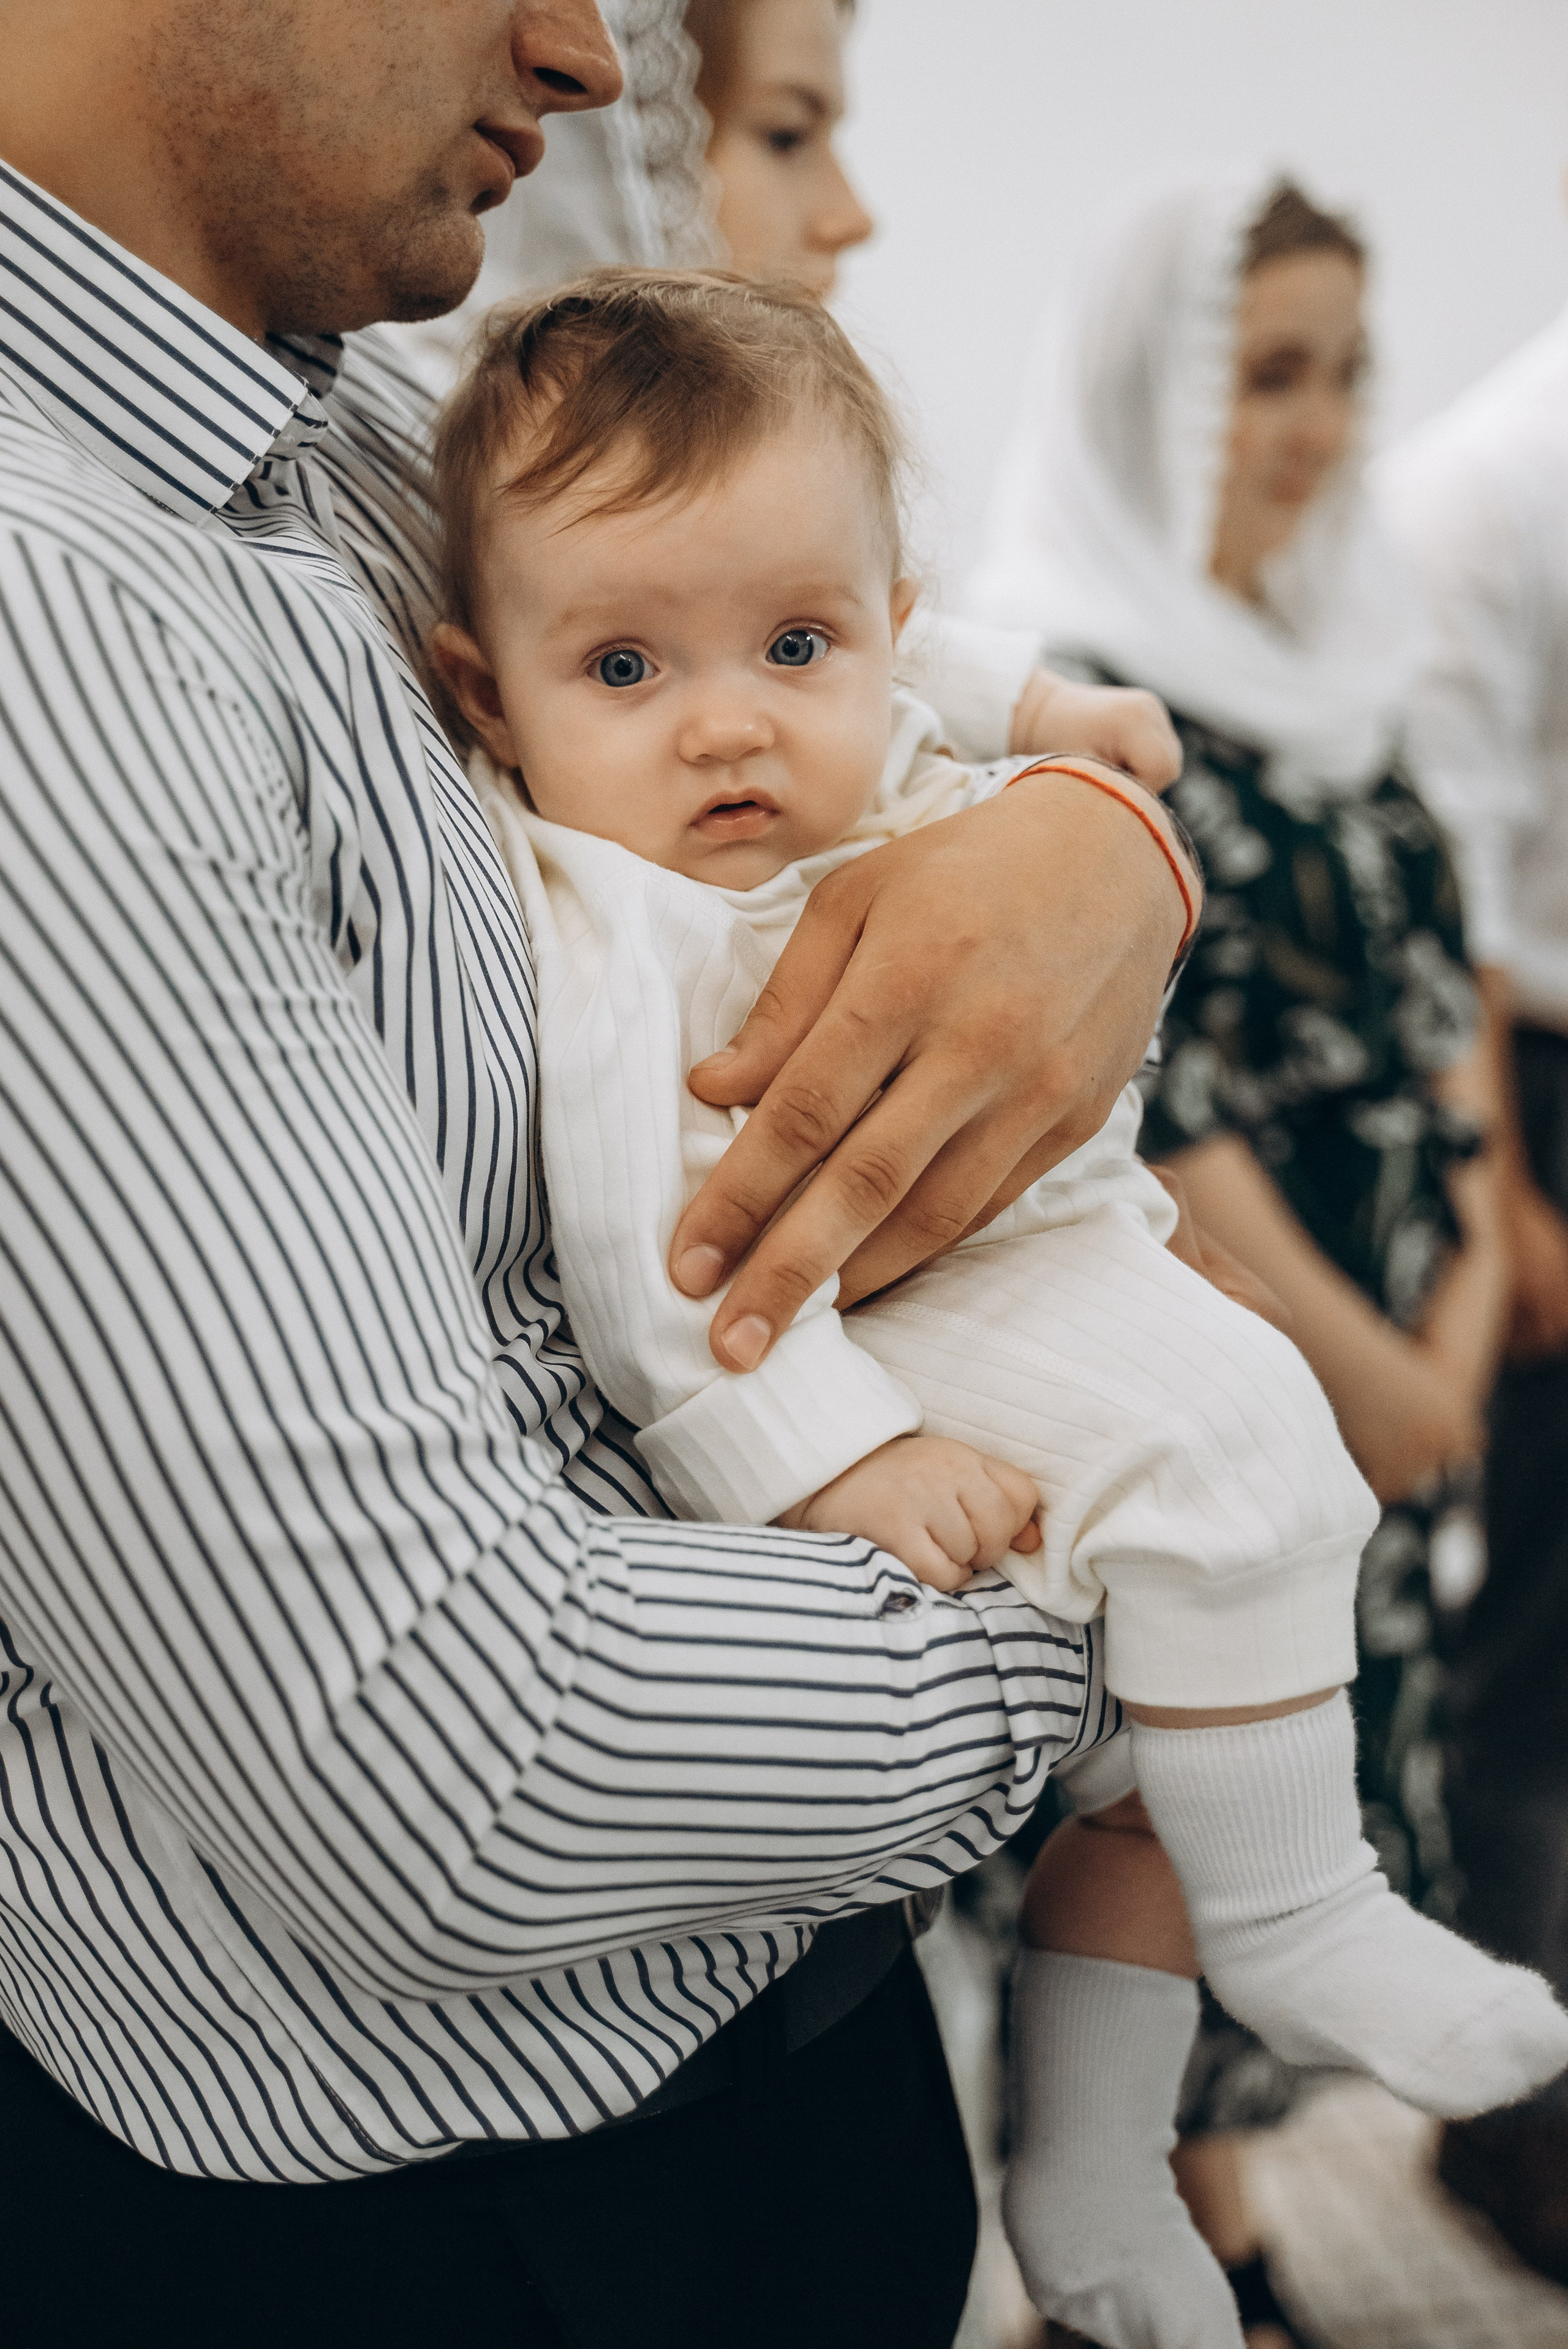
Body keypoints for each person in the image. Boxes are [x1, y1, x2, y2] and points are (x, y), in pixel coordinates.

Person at [0, 4, 1218, 2344]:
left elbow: (871, 689)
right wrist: (1155, 1602)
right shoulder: (50, 607)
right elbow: (455, 1760)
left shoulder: (354, 413)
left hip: (780, 2054)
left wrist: (1098, 842)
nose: (577, 56)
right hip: (454, 2225)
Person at [431, 266, 1567, 2349]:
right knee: (1258, 1462)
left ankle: (1100, 2172)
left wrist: (1054, 718)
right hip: (868, 1345)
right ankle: (1308, 1915)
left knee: (1158, 1766)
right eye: (623, 662)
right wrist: (833, 1462)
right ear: (484, 694)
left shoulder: (845, 714)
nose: (730, 717)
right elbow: (652, 1268)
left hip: (1044, 1254)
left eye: (794, 646)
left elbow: (901, 632)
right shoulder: (612, 919)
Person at [969, 172, 1520, 2341]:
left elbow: (1439, 1032)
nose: (1315, 423)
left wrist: (1453, 1327)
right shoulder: (1073, 690)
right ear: (1150, 388)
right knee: (1172, 1790)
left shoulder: (1360, 672)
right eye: (1262, 370)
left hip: (1396, 1348)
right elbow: (1145, 1098)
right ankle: (1146, 2237)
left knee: (1338, 1779)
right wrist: (1358, 1367)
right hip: (1218, 1345)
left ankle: (1232, 2202)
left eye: (1346, 370)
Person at [390, 0, 1183, 793]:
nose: (853, 217)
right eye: (785, 135)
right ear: (601, 159)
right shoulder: (435, 488)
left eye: (795, 646)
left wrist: (1039, 719)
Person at [1381, 273, 1568, 2282]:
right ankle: (1508, 2113)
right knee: (1537, 1635)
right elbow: (1471, 878)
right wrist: (1510, 1190)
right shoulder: (1503, 484)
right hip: (1539, 1085)